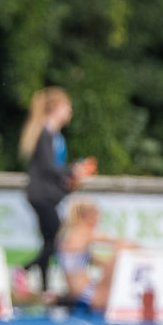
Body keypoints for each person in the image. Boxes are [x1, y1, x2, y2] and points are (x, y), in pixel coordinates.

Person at [15, 86, 96, 298]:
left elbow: (52, 169)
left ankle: (44, 287)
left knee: (48, 240)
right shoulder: (45, 133)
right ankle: (23, 269)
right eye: (66, 107)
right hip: (42, 196)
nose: (70, 111)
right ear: (55, 108)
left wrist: (69, 178)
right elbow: (48, 167)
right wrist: (73, 171)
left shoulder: (53, 134)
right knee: (57, 241)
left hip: (47, 194)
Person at [54, 198, 132, 313]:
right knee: (121, 253)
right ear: (85, 217)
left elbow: (90, 260)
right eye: (96, 216)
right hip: (87, 295)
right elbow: (120, 242)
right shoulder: (84, 233)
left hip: (76, 292)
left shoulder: (68, 235)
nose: (98, 221)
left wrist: (104, 264)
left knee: (109, 262)